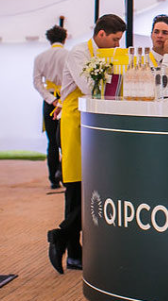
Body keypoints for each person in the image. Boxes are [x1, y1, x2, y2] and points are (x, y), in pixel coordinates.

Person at [47, 14, 126, 273]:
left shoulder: (112, 54)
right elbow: (90, 87)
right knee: (76, 186)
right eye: (114, 39)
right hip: (73, 121)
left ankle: (65, 241)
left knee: (91, 186)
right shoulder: (79, 53)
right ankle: (71, 249)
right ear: (101, 34)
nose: (117, 45)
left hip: (94, 121)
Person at [31, 25, 69, 189]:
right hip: (66, 100)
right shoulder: (69, 55)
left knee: (51, 142)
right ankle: (64, 173)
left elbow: (37, 82)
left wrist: (51, 99)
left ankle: (53, 179)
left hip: (49, 101)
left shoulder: (40, 57)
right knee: (66, 140)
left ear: (49, 39)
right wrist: (60, 101)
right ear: (64, 39)